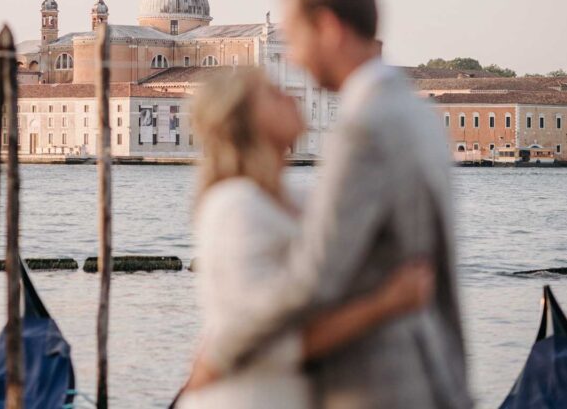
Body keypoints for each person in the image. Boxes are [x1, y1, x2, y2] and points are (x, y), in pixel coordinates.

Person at [187, 0, 471, 408]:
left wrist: (221, 353)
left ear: (330, 28)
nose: (293, 61)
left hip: (375, 387)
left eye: (297, 38)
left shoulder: (363, 129)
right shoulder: (419, 117)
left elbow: (315, 278)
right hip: (421, 377)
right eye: (271, 90)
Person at [177, 67, 437, 409]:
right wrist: (384, 304)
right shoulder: (234, 207)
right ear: (244, 120)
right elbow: (264, 344)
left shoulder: (298, 200)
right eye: (272, 93)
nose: (292, 96)